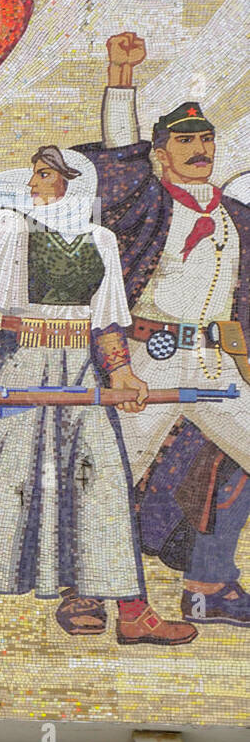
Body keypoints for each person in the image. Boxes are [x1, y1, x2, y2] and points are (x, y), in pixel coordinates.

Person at [0, 145, 196, 646]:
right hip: (18, 361)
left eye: (45, 175)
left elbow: (105, 319)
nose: (34, 184)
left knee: (99, 483)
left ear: (73, 184)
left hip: (81, 371)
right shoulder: (8, 227)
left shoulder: (100, 240)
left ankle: (131, 610)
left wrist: (122, 372)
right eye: (36, 173)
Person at [74, 32, 250, 628]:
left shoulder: (234, 215)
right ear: (161, 153)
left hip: (215, 364)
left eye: (206, 139)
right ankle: (88, 592)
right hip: (147, 356)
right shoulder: (148, 203)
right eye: (184, 140)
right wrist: (121, 78)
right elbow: (119, 158)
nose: (199, 149)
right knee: (110, 470)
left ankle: (208, 584)